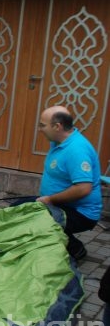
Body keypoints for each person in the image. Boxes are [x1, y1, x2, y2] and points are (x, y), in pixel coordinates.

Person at [36, 105, 102, 260]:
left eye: (42, 125)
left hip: (82, 213)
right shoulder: (58, 141)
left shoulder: (77, 149)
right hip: (58, 204)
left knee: (35, 218)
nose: (39, 129)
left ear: (57, 126)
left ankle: (74, 248)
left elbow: (83, 189)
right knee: (18, 207)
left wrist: (50, 199)